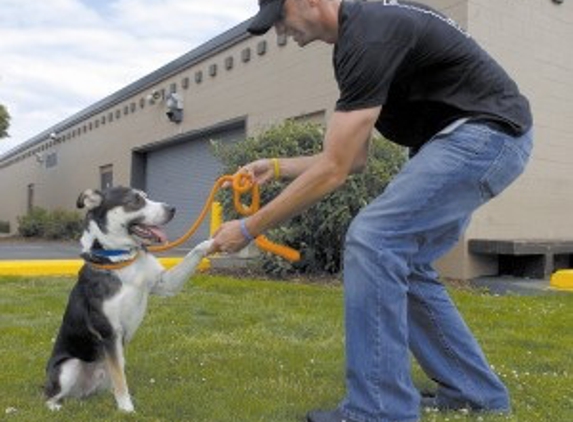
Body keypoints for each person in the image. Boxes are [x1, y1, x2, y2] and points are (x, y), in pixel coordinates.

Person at [211, 0, 533, 421]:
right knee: (405, 261)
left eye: (280, 21)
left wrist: (249, 229)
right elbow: (352, 158)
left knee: (374, 239)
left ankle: (379, 411)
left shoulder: (369, 34)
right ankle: (476, 394)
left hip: (483, 137)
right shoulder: (361, 34)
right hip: (478, 139)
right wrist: (276, 167)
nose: (281, 34)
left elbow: (334, 171)